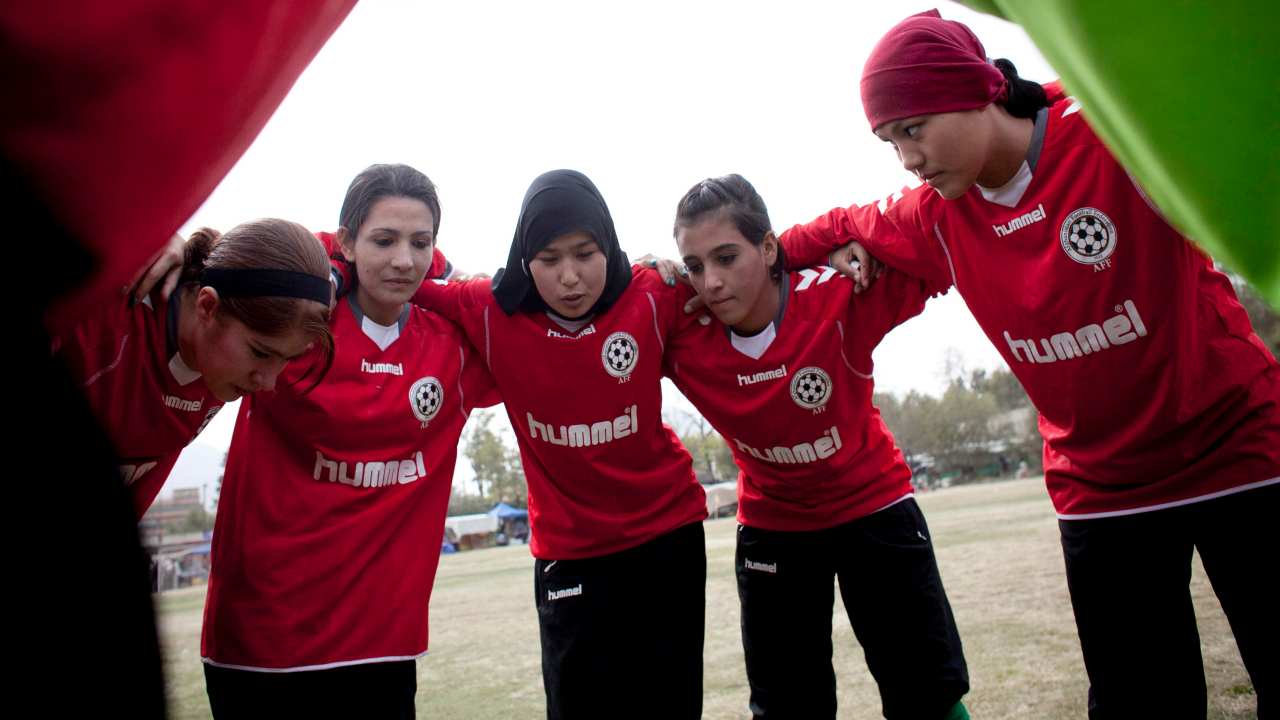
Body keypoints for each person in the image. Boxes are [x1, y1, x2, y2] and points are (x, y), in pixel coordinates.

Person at [780, 10, 1280, 718]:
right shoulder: (933, 217)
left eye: (913, 129)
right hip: (1104, 493)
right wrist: (819, 250)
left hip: (1243, 453)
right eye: (890, 142)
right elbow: (824, 229)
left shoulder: (1110, 133)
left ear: (975, 90)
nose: (908, 160)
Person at [666, 174, 970, 720]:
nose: (710, 282)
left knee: (926, 692)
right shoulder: (682, 328)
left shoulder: (841, 293)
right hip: (774, 527)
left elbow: (939, 244)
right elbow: (600, 305)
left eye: (727, 257)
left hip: (874, 510)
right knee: (787, 706)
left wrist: (817, 241)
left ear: (766, 247)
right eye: (694, 266)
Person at [200, 164, 497, 718]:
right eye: (383, 240)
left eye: (420, 243)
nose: (403, 260)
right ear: (346, 242)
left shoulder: (454, 350)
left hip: (381, 648)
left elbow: (543, 328)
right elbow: (260, 256)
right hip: (260, 644)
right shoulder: (297, 322)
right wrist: (324, 268)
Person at [408, 169, 707, 719]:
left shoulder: (653, 293)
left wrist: (834, 251)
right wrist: (334, 256)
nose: (570, 277)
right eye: (548, 260)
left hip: (668, 537)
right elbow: (395, 269)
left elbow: (746, 264)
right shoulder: (491, 311)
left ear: (609, 247)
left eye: (585, 253)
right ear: (525, 260)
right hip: (570, 554)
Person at [54, 219, 334, 514]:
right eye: (260, 352)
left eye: (287, 359)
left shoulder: (217, 369)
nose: (267, 383)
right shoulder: (106, 326)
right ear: (207, 306)